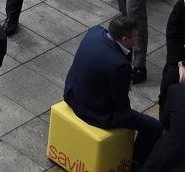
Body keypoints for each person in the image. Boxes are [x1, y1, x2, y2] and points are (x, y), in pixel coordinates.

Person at [64, 16, 161, 164]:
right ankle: (135, 162)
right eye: (135, 36)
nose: (137, 38)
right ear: (124, 39)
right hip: (93, 112)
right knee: (153, 126)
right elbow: (121, 104)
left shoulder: (94, 32)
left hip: (72, 93)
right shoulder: (119, 65)